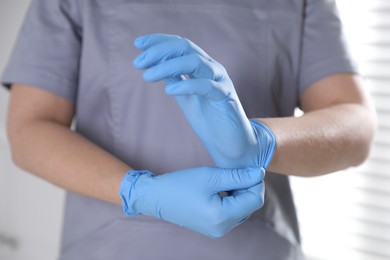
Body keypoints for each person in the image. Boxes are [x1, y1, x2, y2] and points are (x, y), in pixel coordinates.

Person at [2, 0, 376, 259]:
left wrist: (260, 142)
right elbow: (30, 127)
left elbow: (355, 122)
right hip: (110, 250)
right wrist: (138, 190)